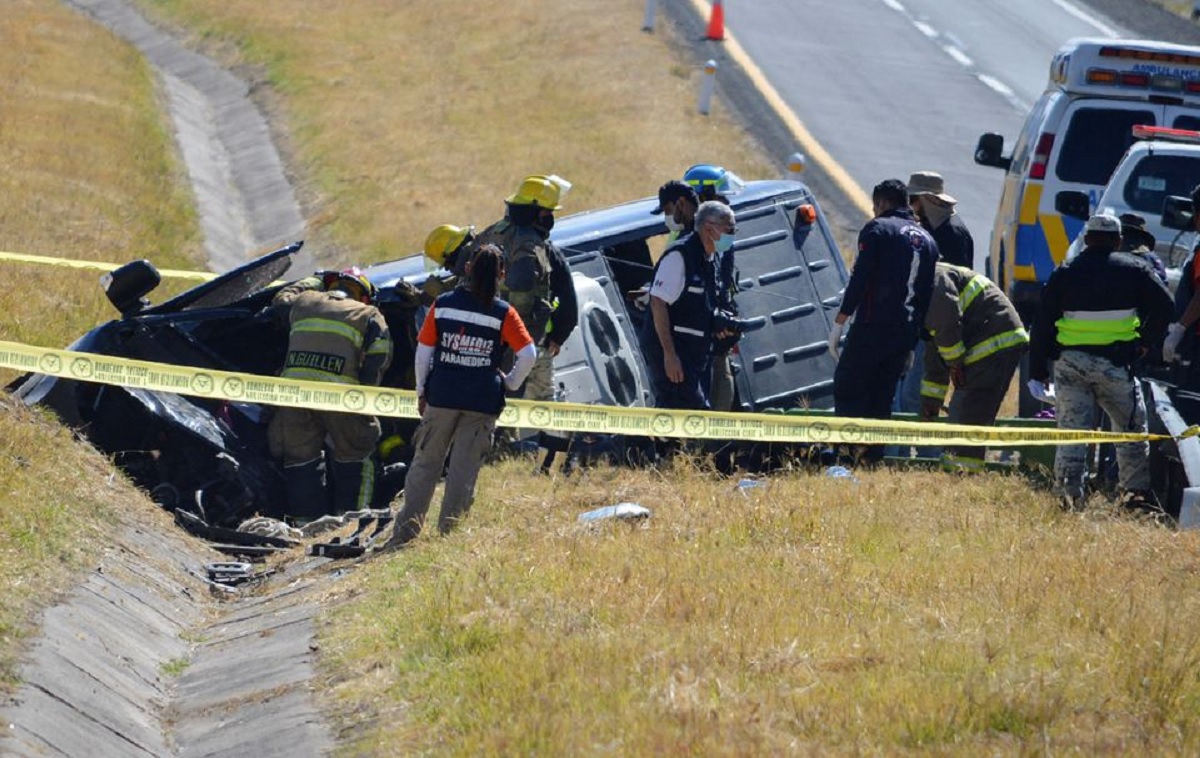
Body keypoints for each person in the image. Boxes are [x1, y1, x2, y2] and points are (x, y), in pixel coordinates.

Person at [379, 245, 536, 549]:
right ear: (502, 274)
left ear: (467, 269)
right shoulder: (504, 313)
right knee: (463, 472)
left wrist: (421, 391)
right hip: (482, 401)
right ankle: (449, 538)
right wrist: (510, 382)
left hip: (442, 397)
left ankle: (405, 535)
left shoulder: (443, 305)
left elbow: (423, 353)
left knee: (425, 466)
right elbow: (528, 353)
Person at [1028, 212, 1173, 512]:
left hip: (1071, 364)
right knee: (1130, 432)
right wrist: (1145, 343)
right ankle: (1133, 497)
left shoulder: (1065, 272)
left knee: (1073, 433)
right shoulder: (1135, 270)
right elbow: (1165, 305)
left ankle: (1068, 497)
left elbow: (1042, 323)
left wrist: (1037, 371)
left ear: (1087, 239)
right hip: (1116, 365)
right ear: (1118, 241)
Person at [266, 268, 393, 522]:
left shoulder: (303, 302)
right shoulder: (368, 314)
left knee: (300, 459)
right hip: (341, 398)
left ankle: (306, 526)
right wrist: (364, 394)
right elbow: (380, 355)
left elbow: (280, 300)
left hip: (294, 396)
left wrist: (315, 279)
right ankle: (351, 523)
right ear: (364, 296)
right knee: (357, 452)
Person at [472, 175, 579, 470]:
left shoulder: (490, 236)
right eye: (548, 213)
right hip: (533, 345)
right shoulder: (543, 249)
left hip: (485, 342)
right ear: (537, 213)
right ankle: (549, 464)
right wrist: (558, 335)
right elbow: (568, 299)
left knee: (495, 405)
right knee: (542, 407)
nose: (551, 219)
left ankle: (495, 458)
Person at [829, 178, 937, 464]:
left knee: (848, 388)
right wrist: (913, 341)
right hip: (902, 334)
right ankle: (871, 460)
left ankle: (846, 458)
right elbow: (925, 296)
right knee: (882, 397)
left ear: (882, 203)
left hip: (871, 326)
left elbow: (860, 278)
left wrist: (840, 320)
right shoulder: (928, 241)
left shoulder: (878, 229)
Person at [919, 262, 1028, 471]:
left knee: (967, 414)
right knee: (964, 412)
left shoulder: (934, 279)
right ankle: (958, 473)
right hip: (986, 342)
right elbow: (936, 347)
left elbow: (946, 330)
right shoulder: (923, 284)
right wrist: (931, 400)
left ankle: (962, 475)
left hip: (995, 342)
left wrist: (955, 363)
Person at [642, 201, 736, 410]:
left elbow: (703, 304)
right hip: (675, 354)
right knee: (689, 410)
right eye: (729, 230)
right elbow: (658, 303)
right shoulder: (680, 256)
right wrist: (669, 355)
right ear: (709, 228)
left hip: (698, 355)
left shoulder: (712, 258)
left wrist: (719, 325)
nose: (732, 236)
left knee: (695, 411)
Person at [684, 164, 741, 411]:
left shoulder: (722, 236)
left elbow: (723, 283)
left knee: (724, 395)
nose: (726, 203)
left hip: (718, 340)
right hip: (699, 343)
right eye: (720, 198)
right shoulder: (689, 243)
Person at [907, 171, 974, 269]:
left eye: (912, 199)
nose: (910, 206)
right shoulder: (930, 223)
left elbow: (955, 273)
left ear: (930, 200)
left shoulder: (952, 232)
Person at [1118, 213, 1166, 282]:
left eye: (1134, 234)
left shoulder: (1150, 258)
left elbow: (1161, 280)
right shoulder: (1152, 258)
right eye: (1126, 233)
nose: (1129, 238)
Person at [652, 179, 700, 243]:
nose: (667, 218)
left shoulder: (697, 236)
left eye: (668, 210)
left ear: (681, 202)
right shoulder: (702, 228)